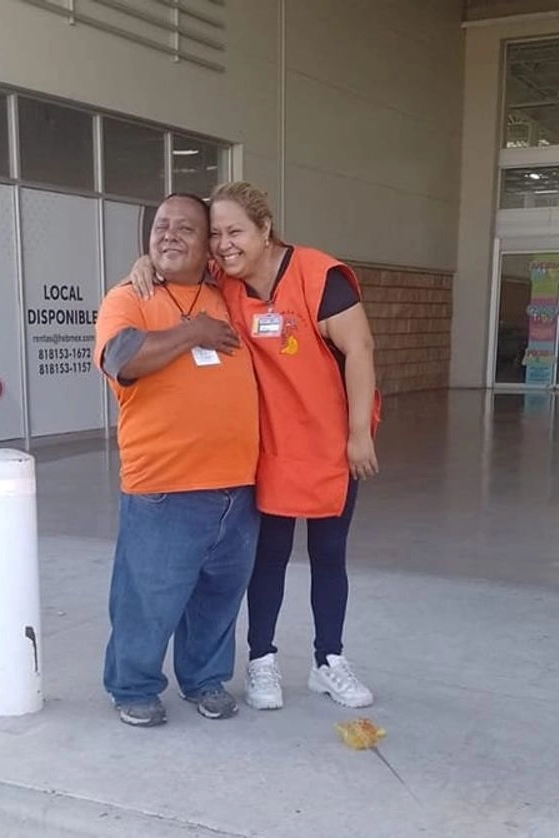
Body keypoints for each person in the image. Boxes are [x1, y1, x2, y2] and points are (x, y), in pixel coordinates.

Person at [128, 181, 380, 711]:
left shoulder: (320, 277)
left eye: (235, 231)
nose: (223, 244)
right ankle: (261, 661)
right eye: (216, 234)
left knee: (328, 554)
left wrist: (359, 436)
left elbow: (359, 350)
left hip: (330, 444)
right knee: (268, 557)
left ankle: (327, 661)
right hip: (269, 446)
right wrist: (144, 264)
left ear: (266, 229)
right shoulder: (227, 282)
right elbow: (182, 260)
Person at [95, 193, 261, 727]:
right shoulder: (128, 296)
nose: (168, 235)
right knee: (148, 598)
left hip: (238, 487)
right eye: (160, 226)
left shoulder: (228, 293)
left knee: (217, 597)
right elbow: (123, 359)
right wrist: (192, 332)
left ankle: (205, 679)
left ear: (207, 242)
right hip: (164, 487)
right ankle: (133, 685)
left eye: (186, 228)